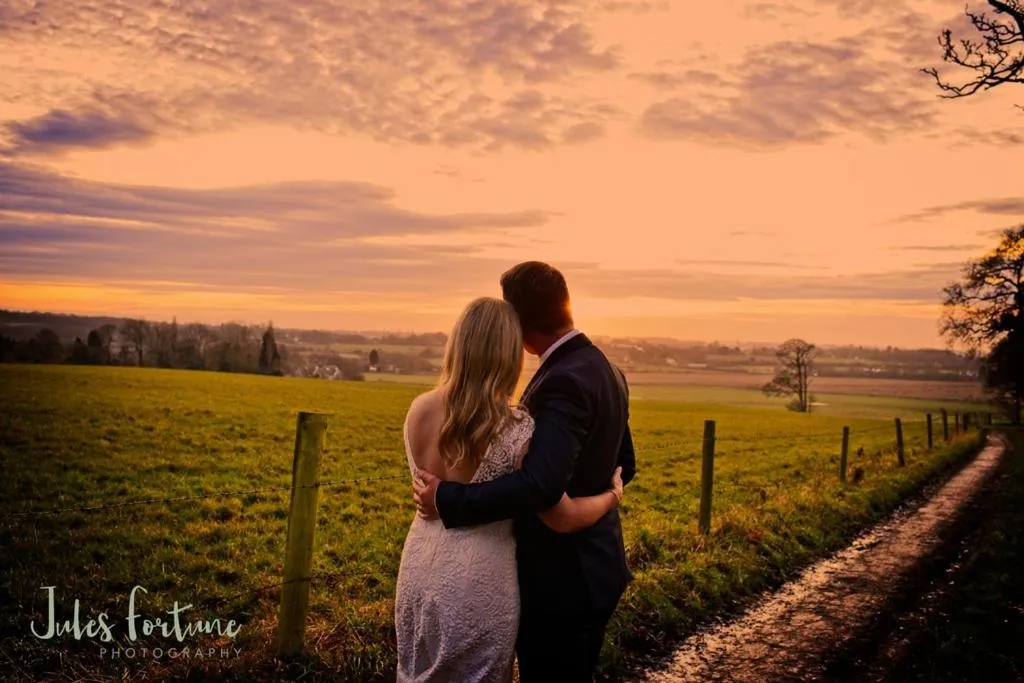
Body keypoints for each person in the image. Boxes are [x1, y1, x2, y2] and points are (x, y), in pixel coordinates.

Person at [414, 261, 637, 682]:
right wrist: (608, 496)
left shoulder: (563, 381)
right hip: (600, 566)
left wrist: (447, 499)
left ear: (517, 322)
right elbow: (627, 463)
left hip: (561, 583)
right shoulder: (608, 369)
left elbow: (540, 485)